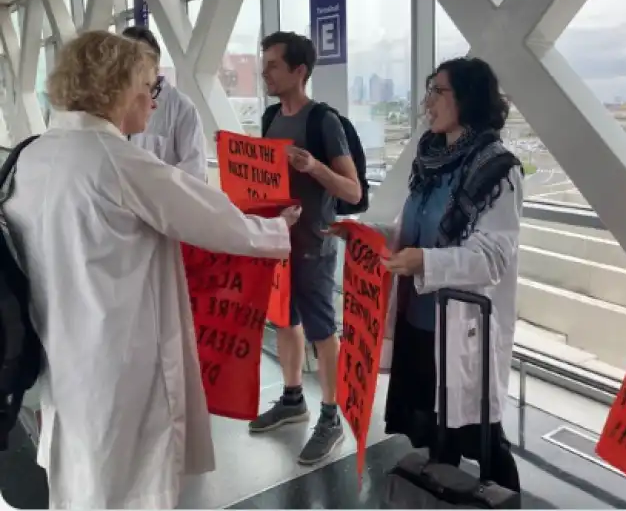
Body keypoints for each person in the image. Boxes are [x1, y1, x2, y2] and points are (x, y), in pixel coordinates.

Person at [3, 30, 301, 509]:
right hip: (123, 360)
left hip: (63, 355)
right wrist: (277, 230)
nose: (153, 99)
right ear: (117, 87)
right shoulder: (116, 160)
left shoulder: (32, 156)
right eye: (148, 85)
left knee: (82, 481)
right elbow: (211, 219)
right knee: (132, 487)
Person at [377, 57, 523, 492]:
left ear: (467, 98)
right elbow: (412, 230)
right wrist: (365, 235)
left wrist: (426, 262)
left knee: (483, 440)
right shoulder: (430, 162)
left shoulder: (498, 170)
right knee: (438, 436)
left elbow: (491, 258)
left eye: (437, 91)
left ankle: (507, 502)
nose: (427, 102)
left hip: (463, 331)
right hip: (421, 323)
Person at [247, 31, 361, 465]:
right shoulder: (271, 117)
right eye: (265, 63)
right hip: (279, 241)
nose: (264, 72)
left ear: (300, 71)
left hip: (314, 244)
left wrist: (312, 166)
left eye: (273, 64)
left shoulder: (323, 122)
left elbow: (351, 191)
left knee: (322, 331)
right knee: (283, 318)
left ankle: (331, 416)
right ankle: (293, 398)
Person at [121, 26, 208, 181]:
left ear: (155, 67)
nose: (132, 70)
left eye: (140, 62)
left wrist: (150, 185)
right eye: (126, 61)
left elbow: (196, 171)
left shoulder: (182, 108)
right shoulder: (113, 103)